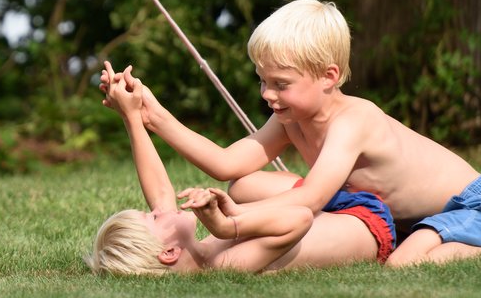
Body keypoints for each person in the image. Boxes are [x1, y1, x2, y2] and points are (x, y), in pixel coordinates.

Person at [103, 0, 481, 267]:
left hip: (473, 208)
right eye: (263, 81)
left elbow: (308, 201)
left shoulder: (352, 121)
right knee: (244, 181)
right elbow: (225, 163)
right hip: (400, 217)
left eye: (280, 83)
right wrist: (150, 114)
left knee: (404, 265)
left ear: (327, 76)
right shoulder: (291, 117)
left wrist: (231, 220)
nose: (268, 94)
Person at [87, 62, 395, 276]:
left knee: (244, 186)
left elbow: (161, 191)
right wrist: (227, 225)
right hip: (370, 225)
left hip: (335, 209)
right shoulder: (225, 264)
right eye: (153, 216)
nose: (157, 207)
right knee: (245, 194)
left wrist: (132, 116)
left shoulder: (192, 250)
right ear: (168, 253)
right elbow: (299, 217)